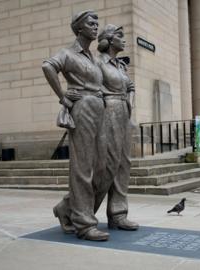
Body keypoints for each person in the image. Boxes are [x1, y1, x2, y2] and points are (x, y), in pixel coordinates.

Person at [42, 10, 109, 241]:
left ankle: (65, 207)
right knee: (83, 168)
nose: (95, 27)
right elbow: (48, 67)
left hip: (99, 109)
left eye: (97, 23)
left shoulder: (91, 57)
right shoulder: (68, 54)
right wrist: (62, 96)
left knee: (103, 168)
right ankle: (84, 223)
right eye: (91, 23)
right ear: (79, 28)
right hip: (82, 110)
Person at [94, 24, 138, 231]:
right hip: (107, 112)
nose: (124, 40)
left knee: (123, 164)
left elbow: (128, 88)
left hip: (123, 113)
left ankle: (118, 214)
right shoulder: (97, 63)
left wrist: (129, 97)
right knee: (107, 165)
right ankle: (73, 209)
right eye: (120, 36)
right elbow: (91, 89)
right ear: (110, 40)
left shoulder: (121, 66)